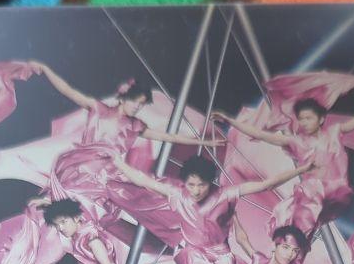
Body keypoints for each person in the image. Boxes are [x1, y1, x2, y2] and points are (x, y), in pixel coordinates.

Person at [31, 65, 223, 219]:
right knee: (70, 193)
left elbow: (169, 137)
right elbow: (67, 90)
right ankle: (54, 203)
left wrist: (204, 142)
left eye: (141, 104)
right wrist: (45, 70)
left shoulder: (135, 125)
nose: (137, 107)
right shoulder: (98, 109)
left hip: (105, 173)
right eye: (135, 102)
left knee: (145, 193)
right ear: (123, 98)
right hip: (80, 164)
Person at [111, 152, 312, 264]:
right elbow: (142, 179)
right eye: (191, 185)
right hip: (192, 258)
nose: (196, 191)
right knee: (186, 257)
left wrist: (300, 170)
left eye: (202, 185)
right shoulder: (177, 194)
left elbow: (266, 184)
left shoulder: (225, 194)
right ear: (184, 183)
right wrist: (118, 162)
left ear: (211, 182)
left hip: (220, 259)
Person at [213, 80, 354, 233]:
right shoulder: (297, 141)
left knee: (302, 215)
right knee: (288, 222)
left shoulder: (334, 131)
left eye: (308, 118)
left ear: (321, 119)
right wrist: (230, 121)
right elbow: (260, 134)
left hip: (337, 192)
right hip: (312, 197)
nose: (304, 123)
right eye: (301, 119)